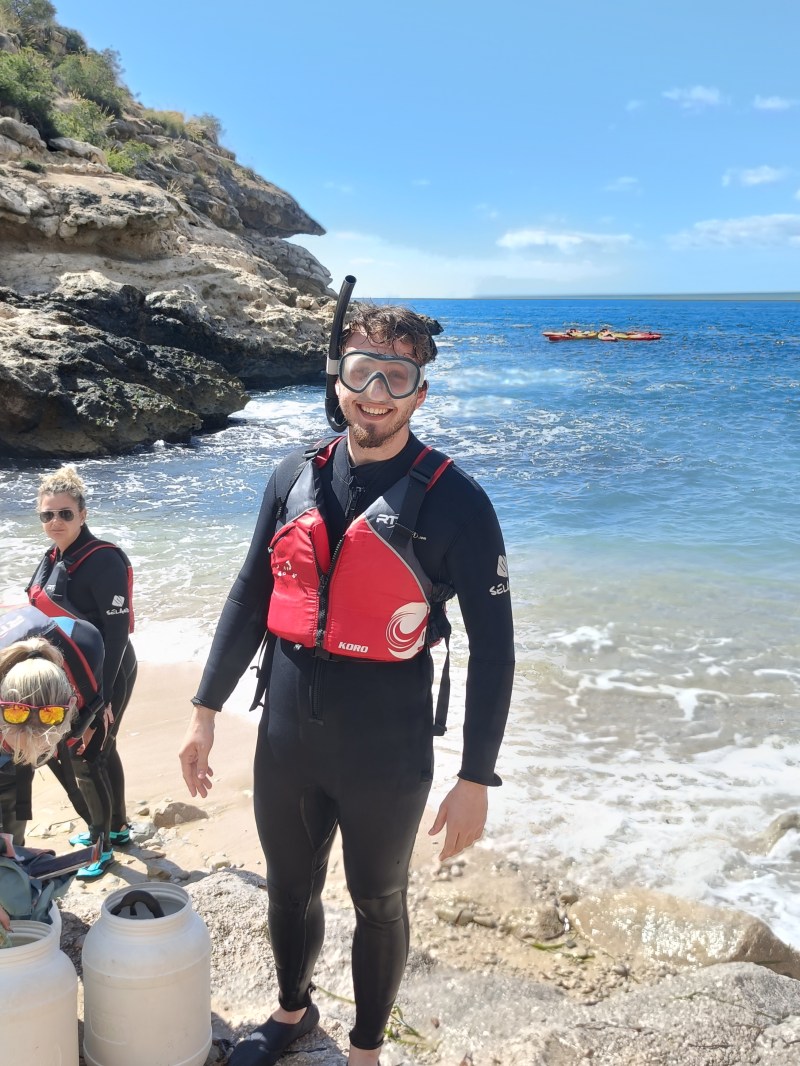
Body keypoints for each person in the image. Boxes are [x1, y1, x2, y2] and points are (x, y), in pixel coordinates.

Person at [179, 290, 515, 1066]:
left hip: (388, 747)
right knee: (288, 887)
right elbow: (249, 595)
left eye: (399, 377)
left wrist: (476, 777)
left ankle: (365, 1050)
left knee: (379, 899)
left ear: (421, 393)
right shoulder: (291, 477)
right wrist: (204, 710)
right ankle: (293, 1011)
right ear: (338, 377)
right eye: (364, 370)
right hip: (287, 733)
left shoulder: (459, 503)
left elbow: (495, 649)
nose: (377, 393)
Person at [26, 466, 137, 880]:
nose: (55, 521)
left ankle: (100, 847)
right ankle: (117, 827)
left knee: (87, 753)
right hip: (72, 671)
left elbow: (117, 632)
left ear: (83, 514)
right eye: (47, 515)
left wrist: (99, 698)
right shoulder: (53, 557)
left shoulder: (103, 559)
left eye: (65, 514)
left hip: (108, 669)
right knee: (101, 750)